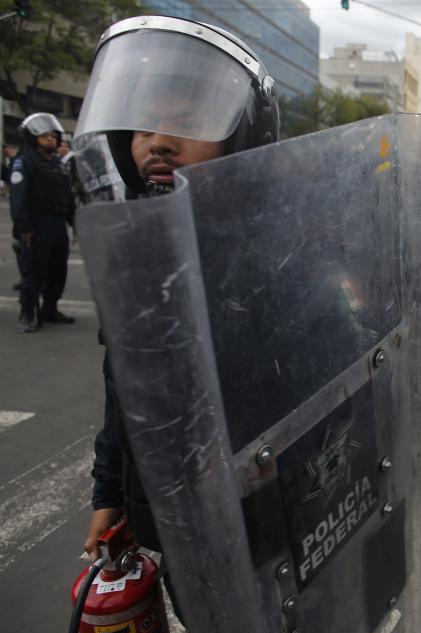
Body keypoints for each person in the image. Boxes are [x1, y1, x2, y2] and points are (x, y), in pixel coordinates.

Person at [76, 15, 279, 580]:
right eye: (141, 127)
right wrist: (107, 495)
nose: (158, 141)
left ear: (245, 132)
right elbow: (125, 401)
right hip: (169, 523)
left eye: (188, 120)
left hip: (269, 520)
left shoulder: (283, 251)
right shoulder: (140, 256)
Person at [9, 112, 76, 332]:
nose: (50, 139)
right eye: (45, 136)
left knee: (58, 269)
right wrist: (24, 228)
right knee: (34, 271)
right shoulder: (24, 162)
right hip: (36, 225)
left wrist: (74, 221)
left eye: (53, 136)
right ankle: (27, 313)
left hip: (57, 224)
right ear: (33, 138)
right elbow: (18, 200)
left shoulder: (57, 164)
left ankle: (49, 307)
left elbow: (66, 196)